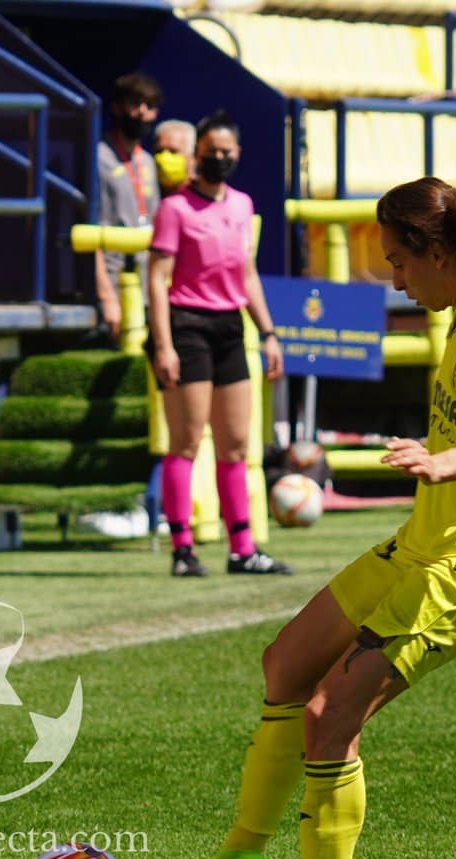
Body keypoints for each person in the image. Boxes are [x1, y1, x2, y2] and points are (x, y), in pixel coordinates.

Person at [141, 177, 456, 859]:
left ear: (440, 254)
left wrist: (452, 461)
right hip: (421, 543)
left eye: (401, 262)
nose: (395, 278)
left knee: (327, 716)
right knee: (286, 663)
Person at [147, 110, 289, 579]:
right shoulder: (175, 209)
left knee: (236, 443)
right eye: (211, 153)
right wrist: (163, 344)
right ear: (197, 156)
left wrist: (267, 333)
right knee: (186, 440)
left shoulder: (242, 206)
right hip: (187, 326)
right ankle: (183, 548)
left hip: (230, 326)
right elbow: (157, 279)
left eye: (227, 153)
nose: (220, 159)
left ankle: (242, 549)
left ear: (238, 155)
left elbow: (246, 274)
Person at [95, 72, 163, 343]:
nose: (142, 112)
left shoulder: (146, 161)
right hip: (113, 279)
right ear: (117, 107)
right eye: (135, 103)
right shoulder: (100, 156)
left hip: (146, 282)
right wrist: (106, 296)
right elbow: (92, 230)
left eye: (149, 106)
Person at [152, 118, 195, 196]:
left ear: (193, 157)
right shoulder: (143, 195)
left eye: (173, 151)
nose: (164, 157)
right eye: (159, 151)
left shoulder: (204, 197)